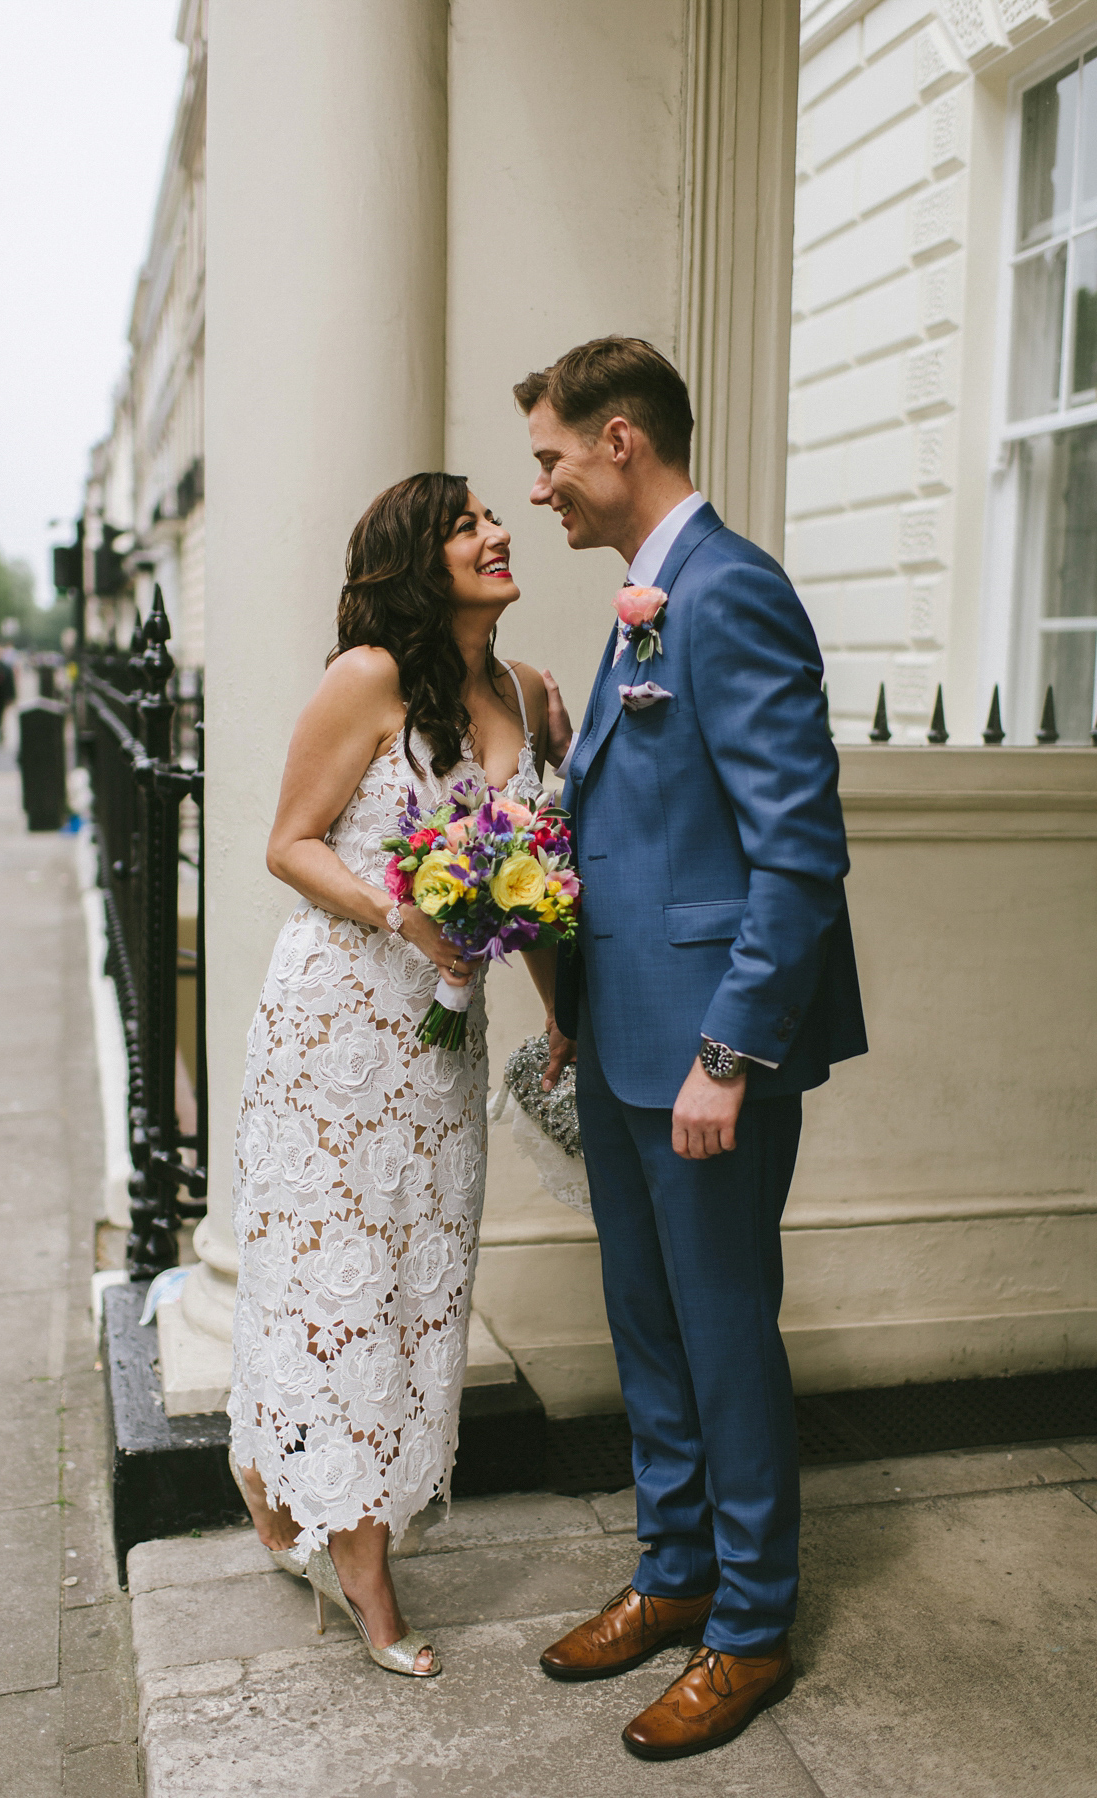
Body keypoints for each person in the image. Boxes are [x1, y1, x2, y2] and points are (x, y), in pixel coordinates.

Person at [517, 337, 867, 1759]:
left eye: (548, 459)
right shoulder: (638, 602)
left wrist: (729, 1050)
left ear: (616, 440)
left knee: (724, 1340)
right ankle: (673, 1573)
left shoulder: (734, 591)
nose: (537, 487)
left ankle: (753, 1624)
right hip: (618, 1043)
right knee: (649, 1330)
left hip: (705, 1056)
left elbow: (799, 853)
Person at [227, 472, 555, 1680]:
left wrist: (556, 1016)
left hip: (444, 1040)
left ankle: (275, 1466)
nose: (497, 531)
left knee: (421, 1273)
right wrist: (399, 910)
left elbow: (539, 881)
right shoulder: (365, 678)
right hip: (336, 1027)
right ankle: (363, 1574)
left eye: (493, 516)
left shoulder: (529, 694)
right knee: (334, 1273)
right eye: (469, 523)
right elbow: (287, 843)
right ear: (419, 558)